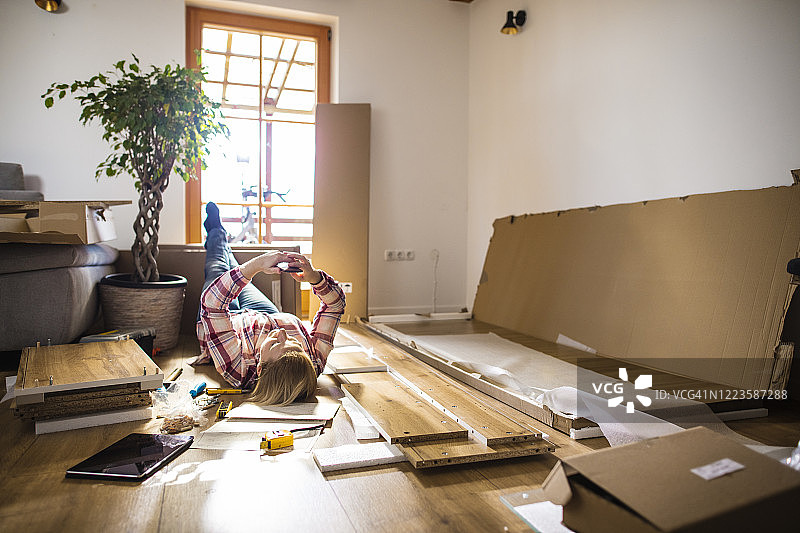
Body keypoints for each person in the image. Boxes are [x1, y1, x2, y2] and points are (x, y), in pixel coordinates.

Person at [194, 202, 346, 405]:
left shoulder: (239, 371)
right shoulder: (312, 363)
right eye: (296, 344)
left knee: (218, 265)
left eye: (275, 344)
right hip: (267, 314)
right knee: (237, 270)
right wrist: (315, 278)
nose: (283, 334)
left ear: (260, 368)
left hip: (224, 318)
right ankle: (224, 243)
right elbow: (335, 306)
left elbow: (213, 305)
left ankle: (216, 232)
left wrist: (257, 264)